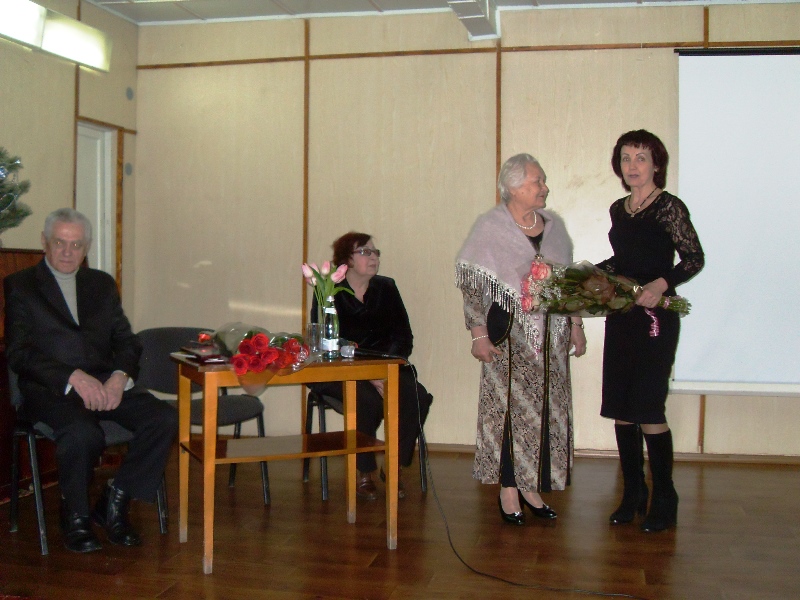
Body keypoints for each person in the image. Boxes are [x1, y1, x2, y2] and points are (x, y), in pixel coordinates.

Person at [4, 208, 178, 553]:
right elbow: (19, 352)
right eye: (60, 242)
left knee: (164, 418)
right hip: (50, 388)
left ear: (86, 247)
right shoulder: (21, 286)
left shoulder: (101, 284)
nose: (68, 252)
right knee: (83, 433)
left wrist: (119, 377)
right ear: (44, 242)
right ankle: (76, 516)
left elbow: (127, 341)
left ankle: (115, 500)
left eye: (77, 245)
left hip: (104, 384)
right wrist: (71, 376)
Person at [456, 154, 586, 525]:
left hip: (552, 338)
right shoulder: (490, 226)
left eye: (542, 181)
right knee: (510, 412)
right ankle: (509, 488)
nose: (544, 187)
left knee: (546, 411)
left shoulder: (555, 228)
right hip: (508, 335)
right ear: (513, 187)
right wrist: (478, 334)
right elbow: (472, 283)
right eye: (536, 181)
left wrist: (576, 324)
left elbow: (569, 283)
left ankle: (532, 487)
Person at [597, 130, 704, 532]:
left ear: (656, 164)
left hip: (656, 317)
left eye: (641, 158)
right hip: (622, 316)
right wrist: (584, 275)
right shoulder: (618, 209)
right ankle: (633, 493)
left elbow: (693, 258)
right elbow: (624, 261)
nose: (633, 166)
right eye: (626, 158)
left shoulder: (669, 207)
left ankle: (664, 496)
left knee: (647, 407)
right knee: (622, 409)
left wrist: (661, 284)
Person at [309, 232, 433, 500]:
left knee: (417, 396)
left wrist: (383, 371)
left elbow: (404, 337)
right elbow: (325, 341)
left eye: (375, 252)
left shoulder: (386, 287)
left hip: (387, 364)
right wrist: (367, 375)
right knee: (365, 400)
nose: (374, 257)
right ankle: (364, 472)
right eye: (365, 252)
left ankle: (394, 465)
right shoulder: (328, 290)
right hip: (343, 369)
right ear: (347, 260)